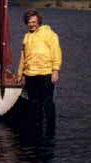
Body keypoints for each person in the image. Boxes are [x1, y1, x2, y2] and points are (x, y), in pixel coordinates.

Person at [18, 9, 62, 137]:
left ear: (38, 21)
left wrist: (55, 70)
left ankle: (50, 131)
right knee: (33, 103)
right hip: (30, 74)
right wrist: (20, 73)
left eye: (34, 21)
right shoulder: (27, 37)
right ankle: (36, 130)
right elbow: (23, 56)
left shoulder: (49, 34)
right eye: (29, 22)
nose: (31, 24)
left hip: (46, 73)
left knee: (47, 102)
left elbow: (56, 52)